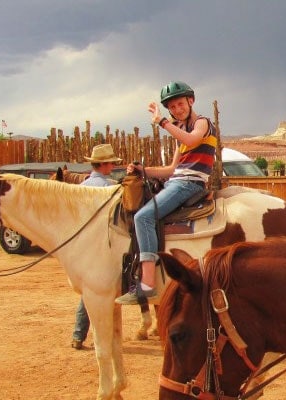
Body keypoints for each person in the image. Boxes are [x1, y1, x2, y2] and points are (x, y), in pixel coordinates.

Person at [115, 81, 217, 304]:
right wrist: (143, 170)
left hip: (189, 183)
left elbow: (192, 139)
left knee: (143, 217)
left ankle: (147, 283)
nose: (177, 109)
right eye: (172, 107)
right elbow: (171, 170)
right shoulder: (182, 138)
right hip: (177, 181)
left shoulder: (203, 123)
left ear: (191, 101)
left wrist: (162, 121)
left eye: (180, 104)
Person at [72, 144, 122, 350]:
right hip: (105, 245)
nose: (112, 165)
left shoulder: (82, 187)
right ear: (103, 164)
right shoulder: (110, 188)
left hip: (85, 246)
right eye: (110, 162)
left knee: (90, 292)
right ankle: (104, 337)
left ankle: (78, 334)